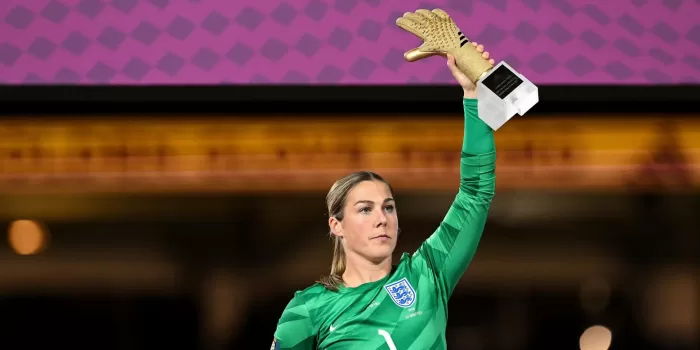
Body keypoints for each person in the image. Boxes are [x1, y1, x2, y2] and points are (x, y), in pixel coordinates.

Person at [271, 42, 497, 350]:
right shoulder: (307, 310)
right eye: (365, 210)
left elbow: (476, 192)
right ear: (336, 226)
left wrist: (474, 96)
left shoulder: (427, 275)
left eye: (388, 208)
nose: (382, 218)